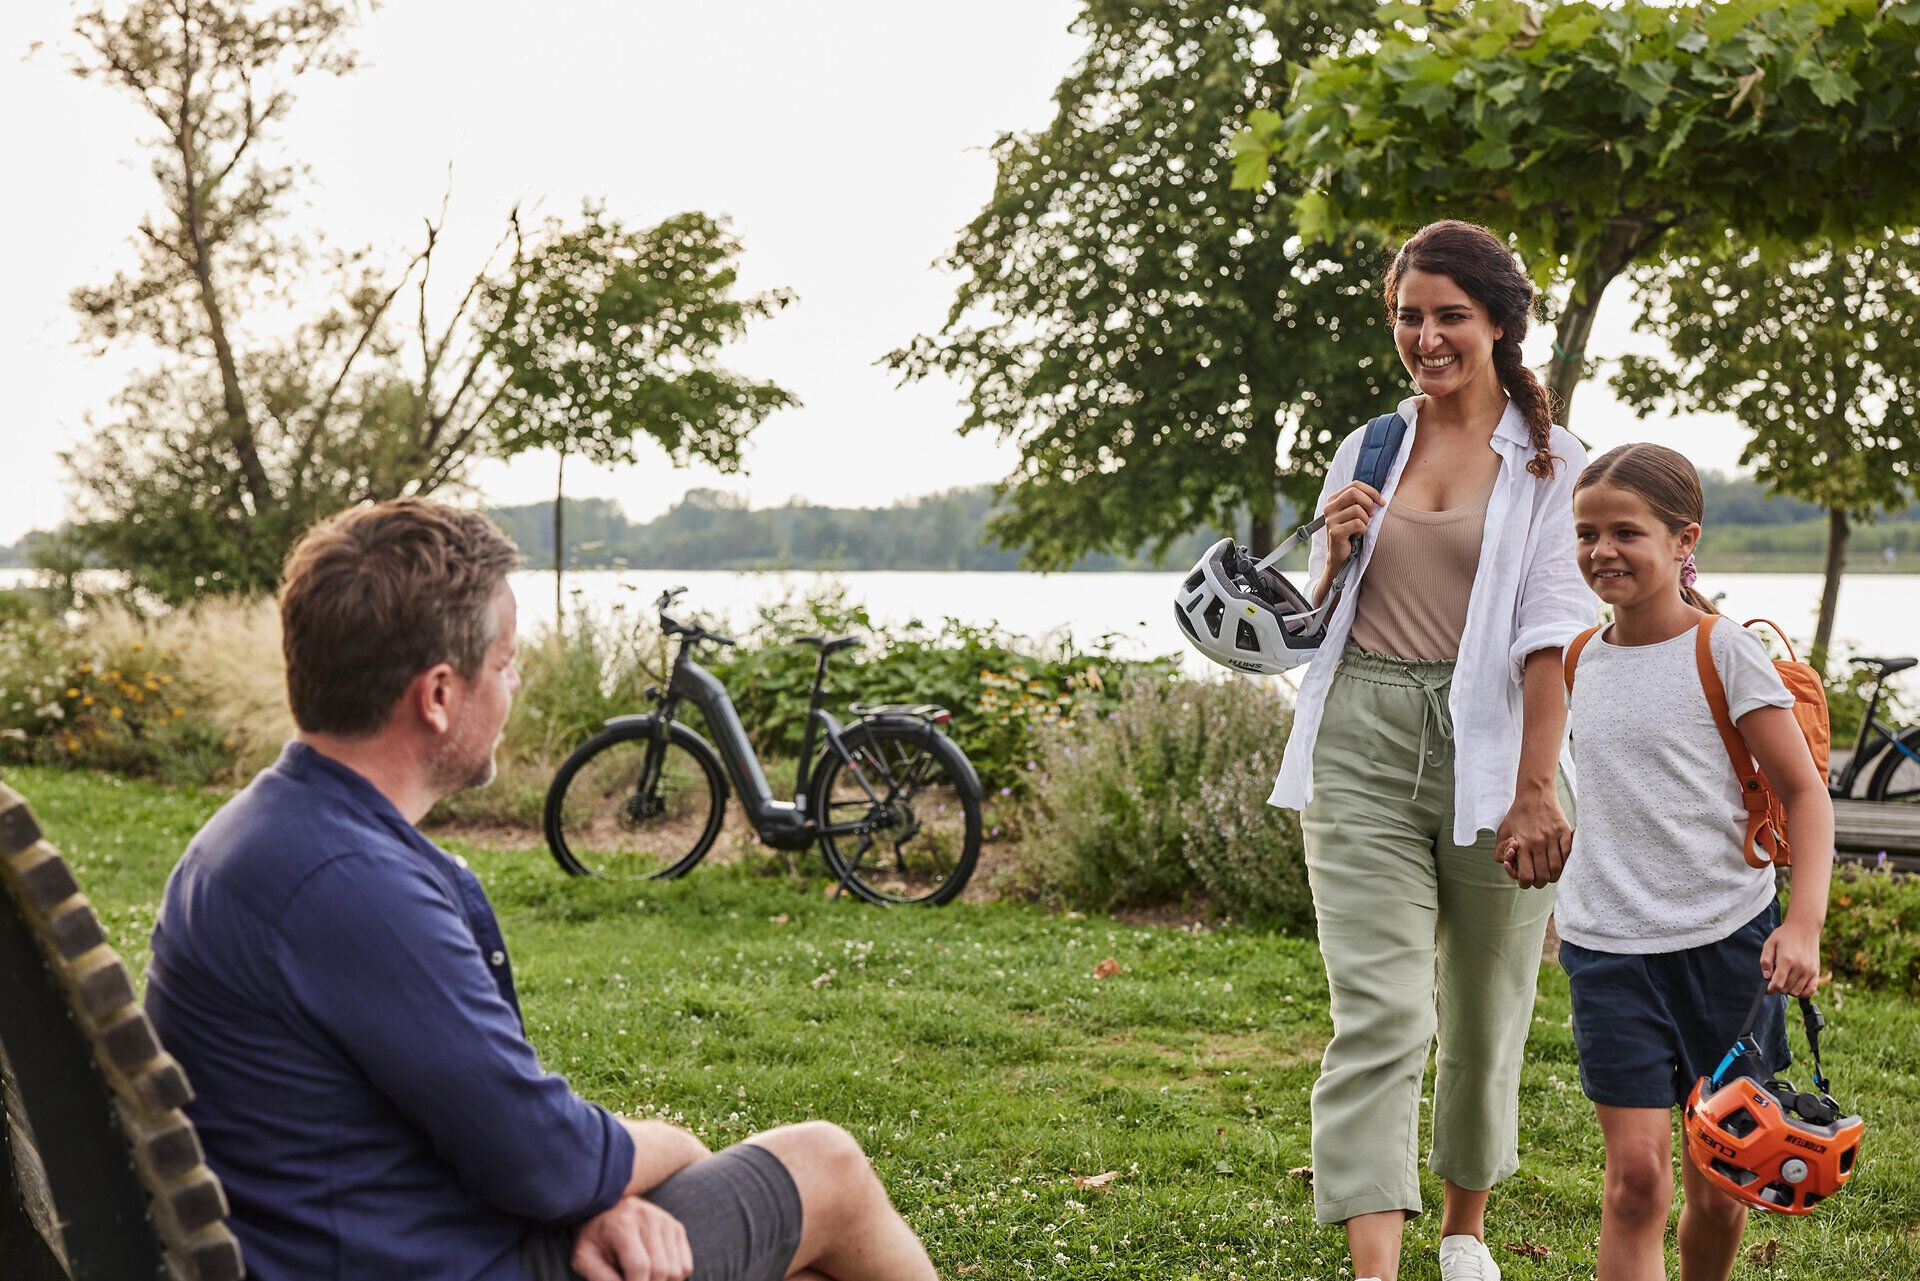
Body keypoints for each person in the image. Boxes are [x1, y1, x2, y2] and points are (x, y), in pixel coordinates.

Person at [143, 499, 937, 1281]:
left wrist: (599, 1193)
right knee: (824, 1165)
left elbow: (514, 1145)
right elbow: (551, 1161)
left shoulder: (263, 831)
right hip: (433, 1259)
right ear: (439, 694)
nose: (515, 683)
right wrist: (678, 1154)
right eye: (506, 661)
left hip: (363, 1235)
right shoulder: (351, 886)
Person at [1266, 220, 1596, 1281]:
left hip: (1501, 747)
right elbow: (1312, 624)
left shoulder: (1555, 465)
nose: (1426, 335)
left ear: (1499, 322)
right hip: (1360, 734)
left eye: (1449, 315)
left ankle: (1463, 1233)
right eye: (1410, 315)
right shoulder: (1370, 447)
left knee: (1488, 1009)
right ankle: (1375, 1268)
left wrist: (1535, 794)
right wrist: (1333, 559)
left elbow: (1551, 641)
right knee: (1382, 1008)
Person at [1556, 444, 1833, 1281]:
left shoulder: (1724, 651)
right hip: (1609, 953)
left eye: (1625, 532)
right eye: (1585, 532)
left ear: (1685, 541)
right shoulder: (1577, 660)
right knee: (1636, 1181)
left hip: (1727, 952)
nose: (1601, 550)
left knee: (1721, 1183)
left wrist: (1803, 923)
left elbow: (1805, 794)